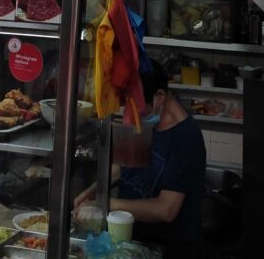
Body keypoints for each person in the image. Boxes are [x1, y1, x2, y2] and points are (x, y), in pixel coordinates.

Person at [75, 61, 207, 255]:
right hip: (131, 239)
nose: (129, 114)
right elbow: (124, 166)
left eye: (135, 106)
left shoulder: (186, 137)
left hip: (169, 247)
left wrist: (103, 204)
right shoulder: (146, 122)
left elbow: (166, 209)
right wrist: (93, 192)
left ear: (159, 97)